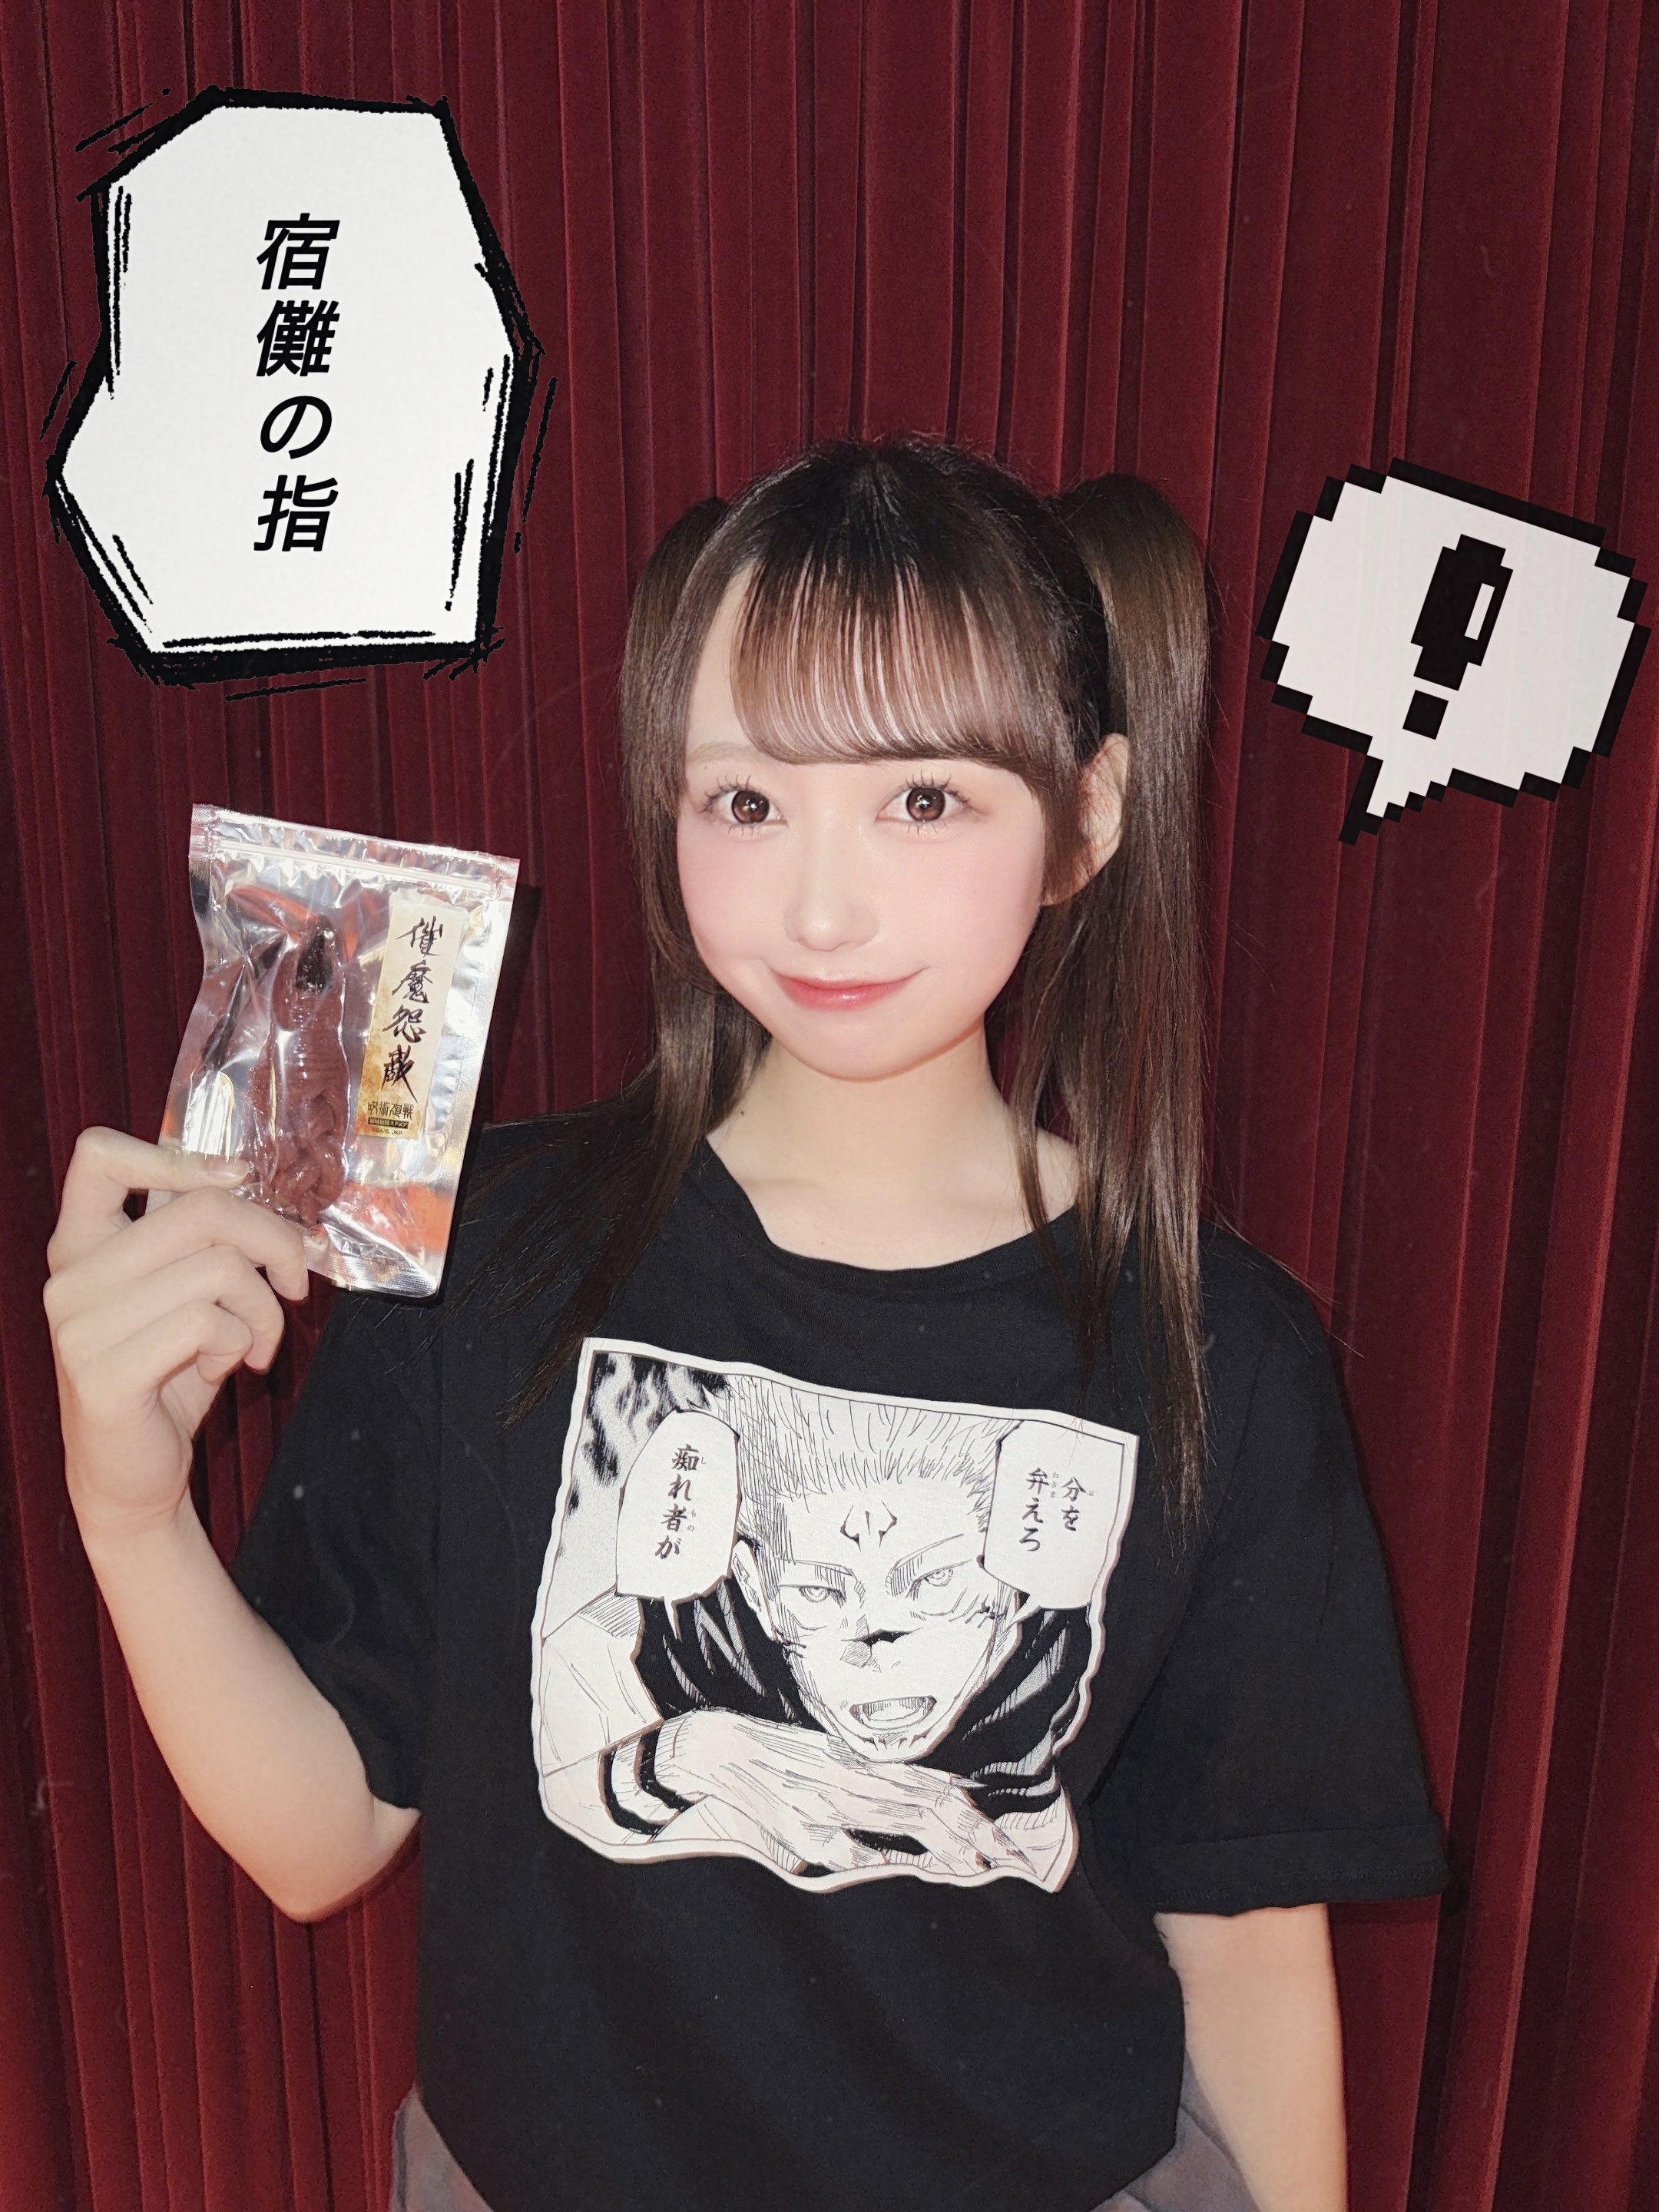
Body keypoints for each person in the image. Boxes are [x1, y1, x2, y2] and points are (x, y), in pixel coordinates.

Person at [44, 446, 1446, 2212]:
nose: (823, 906)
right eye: (747, 801)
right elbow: (322, 1839)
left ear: (1087, 818)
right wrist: (130, 1510)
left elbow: (1243, 1945)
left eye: (923, 799)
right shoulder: (491, 1254)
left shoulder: (1220, 1351)